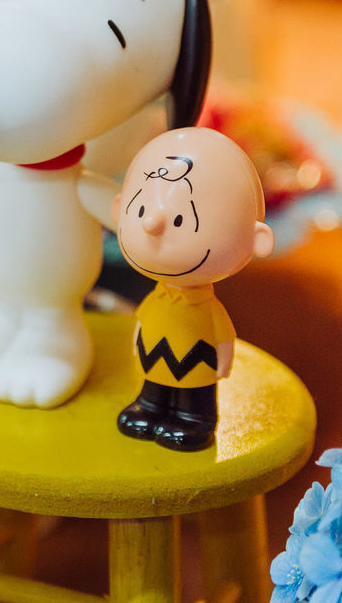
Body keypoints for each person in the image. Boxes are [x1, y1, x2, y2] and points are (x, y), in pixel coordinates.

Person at [111, 127, 274, 451]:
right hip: (154, 358)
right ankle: (151, 407)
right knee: (154, 385)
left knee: (194, 392)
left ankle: (194, 418)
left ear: (258, 240)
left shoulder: (207, 309)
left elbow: (223, 337)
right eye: (140, 211)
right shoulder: (157, 298)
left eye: (180, 221)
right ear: (119, 210)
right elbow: (142, 322)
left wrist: (223, 361)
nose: (151, 225)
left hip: (197, 364)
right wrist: (137, 341)